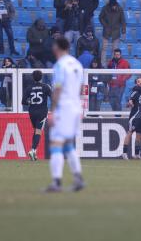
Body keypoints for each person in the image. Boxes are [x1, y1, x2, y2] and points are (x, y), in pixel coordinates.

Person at [46, 37, 84, 192]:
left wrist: (53, 111)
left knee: (56, 144)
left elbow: (58, 89)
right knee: (68, 144)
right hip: (75, 106)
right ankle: (78, 178)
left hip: (64, 107)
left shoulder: (60, 65)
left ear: (56, 47)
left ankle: (56, 182)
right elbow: (80, 88)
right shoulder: (77, 64)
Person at [21, 70, 52, 161]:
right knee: (38, 131)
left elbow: (23, 102)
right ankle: (33, 150)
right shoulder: (46, 87)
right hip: (42, 112)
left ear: (33, 77)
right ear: (41, 77)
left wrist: (30, 101)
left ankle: (34, 153)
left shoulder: (29, 88)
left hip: (32, 112)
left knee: (36, 131)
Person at [122, 78, 141, 160]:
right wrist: (130, 103)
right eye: (138, 81)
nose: (140, 82)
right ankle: (124, 153)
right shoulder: (135, 92)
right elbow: (130, 102)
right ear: (136, 83)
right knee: (129, 133)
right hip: (135, 117)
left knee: (139, 136)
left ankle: (137, 154)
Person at [99, 0, 126, 66]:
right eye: (112, 6)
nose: (114, 7)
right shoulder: (105, 8)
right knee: (104, 48)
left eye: (115, 5)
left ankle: (113, 64)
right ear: (110, 5)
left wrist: (123, 30)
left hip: (116, 31)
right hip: (106, 30)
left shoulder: (120, 9)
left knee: (115, 49)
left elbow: (123, 20)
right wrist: (105, 25)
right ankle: (102, 64)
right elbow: (100, 17)